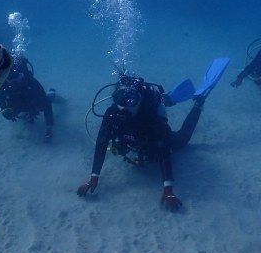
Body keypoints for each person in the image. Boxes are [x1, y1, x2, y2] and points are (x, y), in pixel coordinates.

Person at [75, 74, 208, 211]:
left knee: (182, 140)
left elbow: (164, 152)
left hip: (150, 137)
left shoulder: (153, 119)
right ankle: (165, 99)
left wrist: (168, 189)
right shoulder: (112, 113)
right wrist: (93, 178)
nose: (124, 106)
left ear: (140, 99)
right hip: (135, 141)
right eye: (120, 99)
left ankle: (198, 104)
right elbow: (102, 142)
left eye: (131, 101)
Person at [0, 55, 55, 142]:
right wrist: (9, 114)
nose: (15, 84)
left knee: (47, 100)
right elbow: (3, 109)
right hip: (21, 105)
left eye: (17, 80)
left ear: (21, 76)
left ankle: (52, 93)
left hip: (34, 103)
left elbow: (46, 105)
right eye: (11, 82)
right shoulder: (4, 89)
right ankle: (27, 114)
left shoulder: (32, 83)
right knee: (24, 114)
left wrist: (49, 128)